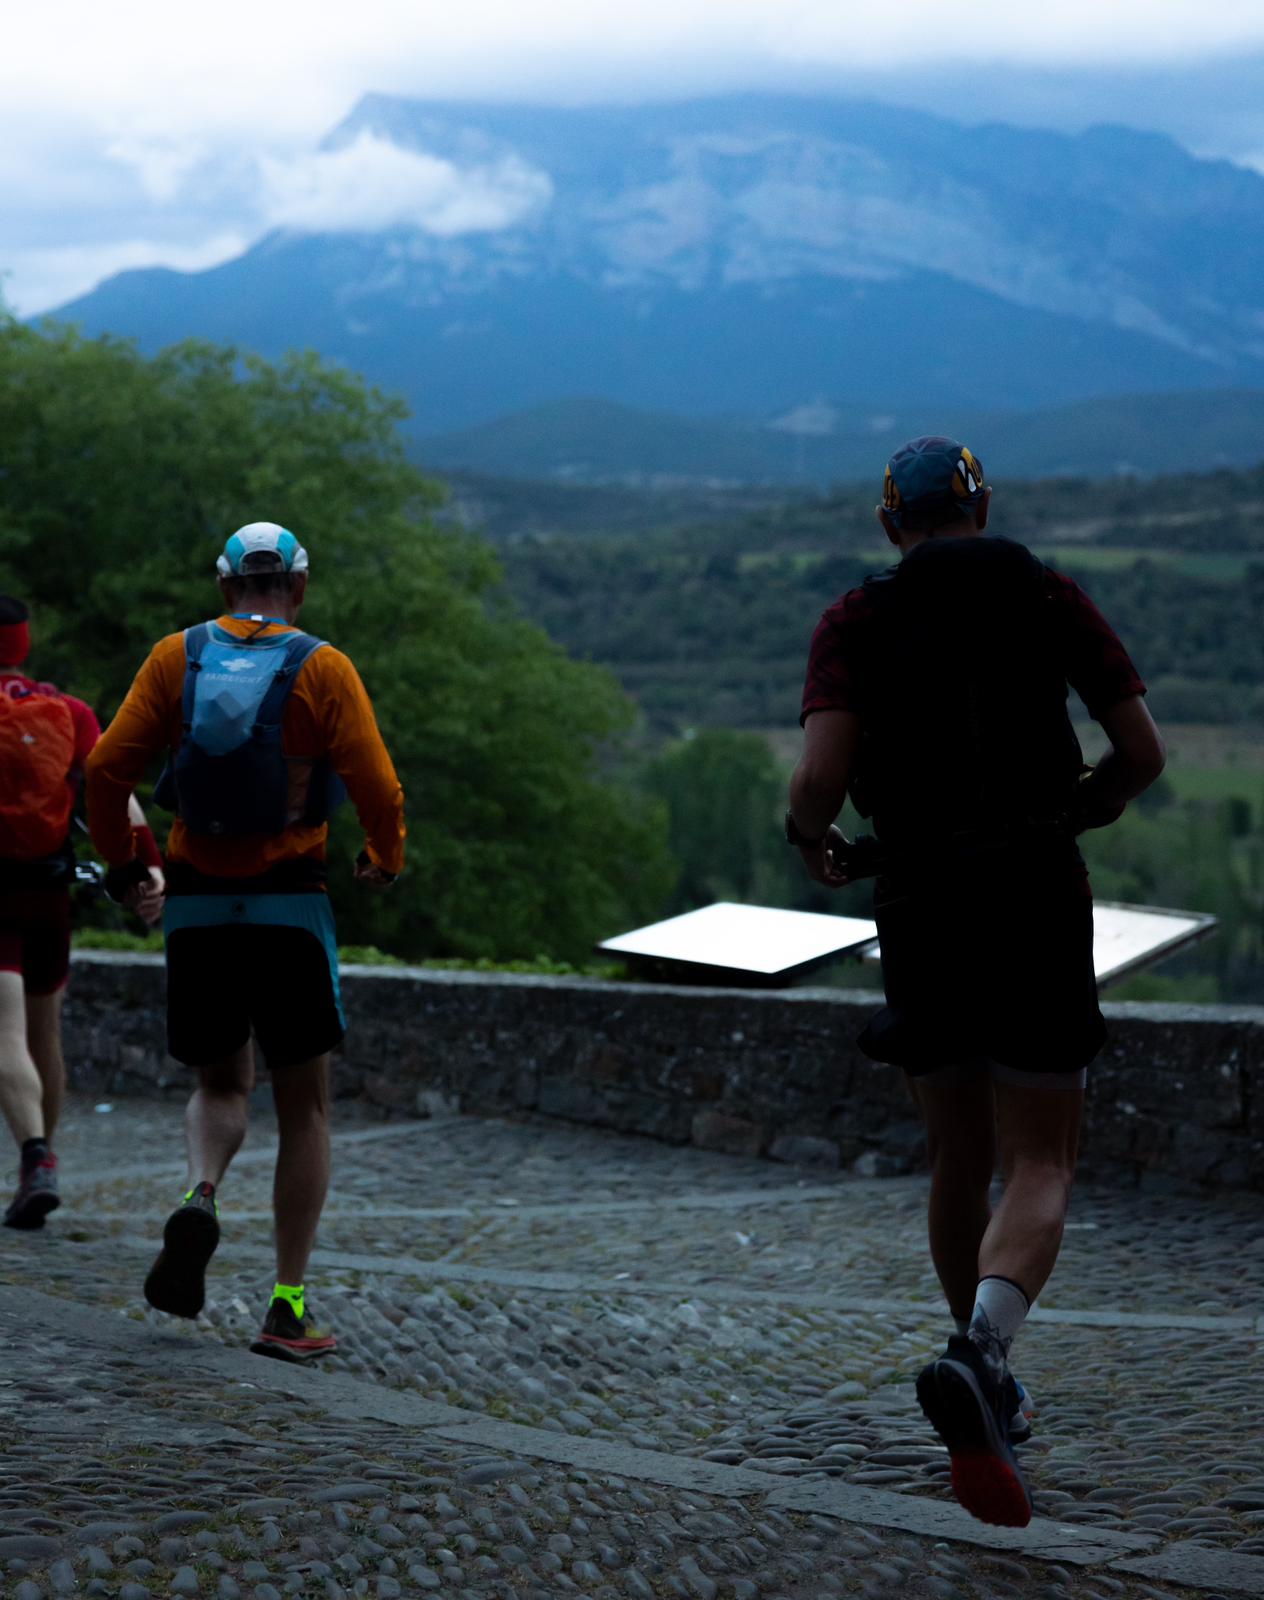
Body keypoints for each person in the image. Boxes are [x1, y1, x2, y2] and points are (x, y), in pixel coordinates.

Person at [787, 438, 1165, 1527]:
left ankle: (980, 1375)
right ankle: (983, 1353)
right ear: (982, 505)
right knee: (1042, 1155)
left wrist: (808, 835)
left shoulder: (855, 620)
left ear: (888, 522)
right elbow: (1138, 751)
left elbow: (818, 778)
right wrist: (1079, 807)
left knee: (959, 1154)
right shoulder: (1046, 592)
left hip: (916, 901)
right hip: (1036, 890)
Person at [85, 523, 405, 1361]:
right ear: (297, 587)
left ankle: (201, 1191)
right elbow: (377, 782)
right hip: (290, 908)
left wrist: (123, 866)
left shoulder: (173, 657)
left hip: (196, 906)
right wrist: (385, 855)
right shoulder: (324, 666)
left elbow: (105, 772)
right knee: (306, 1106)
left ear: (226, 587)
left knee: (221, 1080)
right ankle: (286, 1305)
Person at [0, 596, 163, 1229]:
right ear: (24, 643)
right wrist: (148, 868)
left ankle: (35, 1156)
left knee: (6, 1033)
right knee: (46, 1033)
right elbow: (111, 794)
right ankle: (36, 1166)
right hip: (49, 896)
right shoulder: (67, 712)